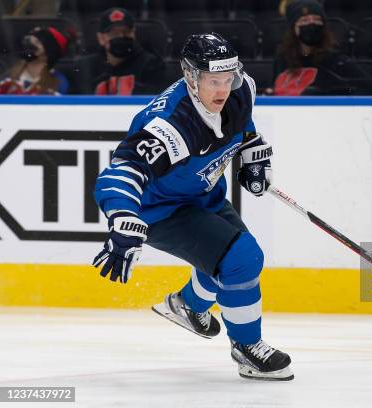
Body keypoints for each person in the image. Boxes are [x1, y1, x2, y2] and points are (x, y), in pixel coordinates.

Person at [92, 32, 293, 381]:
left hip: (203, 196)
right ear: (190, 77)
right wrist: (122, 215)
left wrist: (251, 154)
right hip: (162, 211)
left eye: (227, 79)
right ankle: (247, 347)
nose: (222, 90)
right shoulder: (171, 124)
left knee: (229, 265)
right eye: (213, 81)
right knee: (243, 259)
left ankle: (188, 304)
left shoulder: (241, 90)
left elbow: (243, 127)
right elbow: (121, 170)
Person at [273, 0, 372, 95]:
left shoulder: (337, 62)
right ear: (293, 28)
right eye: (304, 20)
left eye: (316, 19)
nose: (311, 23)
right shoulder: (282, 59)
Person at [75, 7, 165, 95]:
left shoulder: (151, 64)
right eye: (114, 33)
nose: (121, 36)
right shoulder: (85, 66)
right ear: (101, 38)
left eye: (126, 32)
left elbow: (155, 100)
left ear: (133, 33)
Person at [0, 26, 71, 95]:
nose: (30, 45)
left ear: (48, 53)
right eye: (29, 40)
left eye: (37, 42)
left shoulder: (58, 82)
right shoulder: (8, 77)